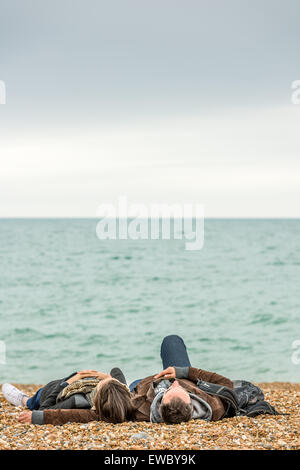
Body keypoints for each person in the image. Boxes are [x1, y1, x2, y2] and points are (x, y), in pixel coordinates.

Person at [12, 334, 277, 426]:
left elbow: (90, 417)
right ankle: (112, 380)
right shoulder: (214, 407)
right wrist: (183, 375)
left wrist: (41, 417)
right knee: (171, 341)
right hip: (175, 375)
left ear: (160, 406)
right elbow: (225, 382)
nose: (174, 388)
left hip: (137, 387)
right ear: (190, 401)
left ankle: (28, 400)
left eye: (170, 391)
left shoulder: (137, 411)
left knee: (107, 378)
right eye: (180, 391)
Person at [2, 367, 135, 424]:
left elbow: (44, 410)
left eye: (100, 383)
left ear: (98, 395)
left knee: (33, 402)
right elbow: (116, 371)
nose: (100, 380)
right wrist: (106, 377)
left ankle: (24, 400)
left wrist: (71, 380)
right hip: (80, 388)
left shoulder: (77, 402)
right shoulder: (124, 399)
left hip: (50, 392)